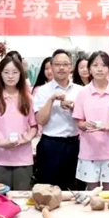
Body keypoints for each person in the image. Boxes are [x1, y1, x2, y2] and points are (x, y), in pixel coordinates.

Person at [73, 52, 109, 190]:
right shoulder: (83, 92)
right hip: (89, 151)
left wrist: (106, 127)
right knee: (93, 193)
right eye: (95, 65)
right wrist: (84, 125)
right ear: (89, 69)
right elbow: (79, 122)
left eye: (104, 65)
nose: (99, 69)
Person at [0, 55, 38, 191]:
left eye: (14, 72)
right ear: (0, 74)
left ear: (21, 74)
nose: (10, 76)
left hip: (23, 158)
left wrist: (27, 138)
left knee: (22, 196)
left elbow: (34, 126)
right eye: (6, 72)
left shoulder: (28, 99)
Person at [33, 49, 84, 190]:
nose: (61, 68)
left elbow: (86, 117)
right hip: (50, 145)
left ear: (71, 67)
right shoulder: (43, 91)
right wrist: (52, 100)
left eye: (65, 64)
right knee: (48, 190)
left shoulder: (80, 90)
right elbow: (40, 120)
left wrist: (73, 108)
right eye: (57, 64)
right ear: (51, 66)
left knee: (74, 190)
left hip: (74, 145)